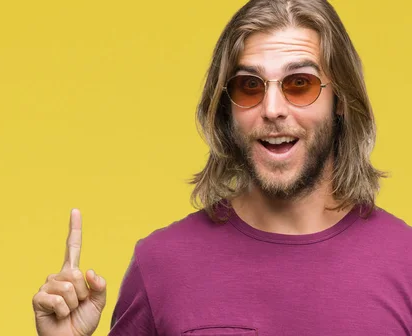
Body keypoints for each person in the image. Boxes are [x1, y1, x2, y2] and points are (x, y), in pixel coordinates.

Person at [32, 0, 412, 334]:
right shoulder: (162, 264)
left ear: (341, 99)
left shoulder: (405, 261)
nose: (273, 109)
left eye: (300, 83)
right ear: (226, 108)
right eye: (250, 85)